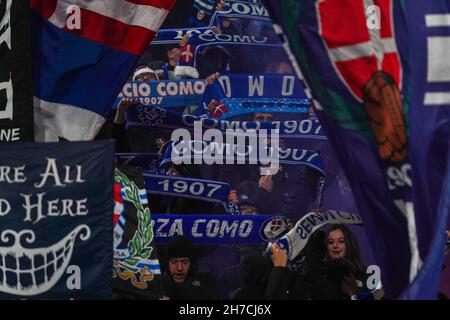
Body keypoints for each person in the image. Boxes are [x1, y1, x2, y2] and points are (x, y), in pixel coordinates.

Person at [266, 224, 372, 300]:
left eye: (341, 241)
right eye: (330, 242)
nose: (335, 246)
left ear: (350, 244)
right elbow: (314, 275)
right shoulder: (325, 272)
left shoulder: (367, 274)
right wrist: (307, 229)